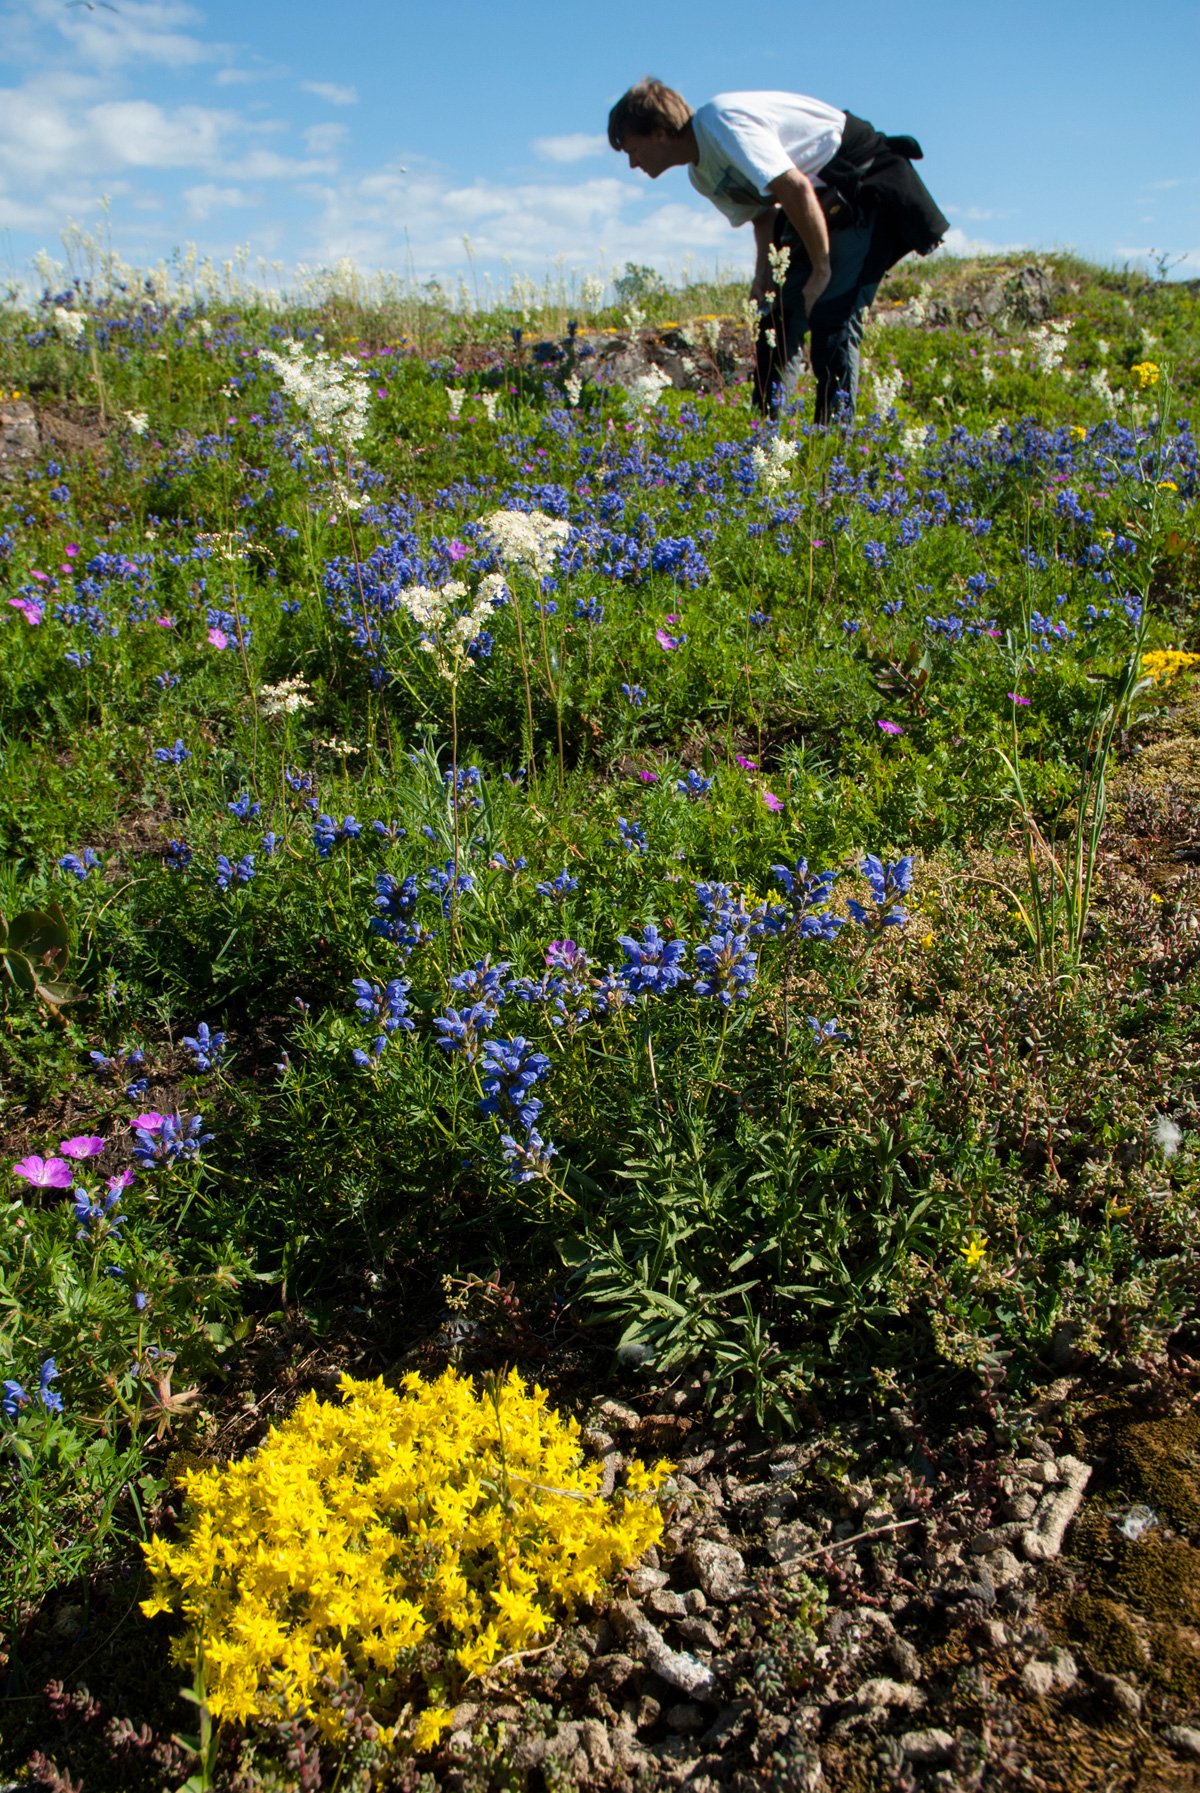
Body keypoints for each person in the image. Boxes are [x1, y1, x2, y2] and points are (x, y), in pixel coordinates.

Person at [607, 79, 949, 423]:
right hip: (816, 205)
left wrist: (821, 270)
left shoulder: (720, 121)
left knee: (832, 315)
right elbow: (763, 215)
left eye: (631, 149)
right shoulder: (702, 176)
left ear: (658, 133)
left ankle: (836, 447)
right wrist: (764, 277)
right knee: (777, 319)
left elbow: (795, 185)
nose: (632, 164)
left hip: (860, 183)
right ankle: (767, 435)